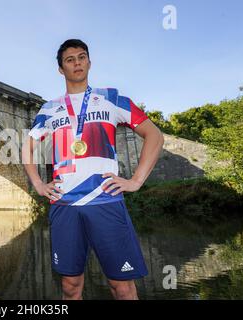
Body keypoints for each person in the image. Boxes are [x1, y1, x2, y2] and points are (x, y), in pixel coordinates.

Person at [21, 39, 164, 300]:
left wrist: (136, 180)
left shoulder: (112, 98)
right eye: (69, 59)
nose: (77, 62)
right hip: (64, 203)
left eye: (81, 56)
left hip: (106, 200)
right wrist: (38, 184)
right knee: (70, 286)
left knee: (122, 287)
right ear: (60, 69)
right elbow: (27, 146)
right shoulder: (48, 109)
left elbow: (154, 135)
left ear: (89, 62)